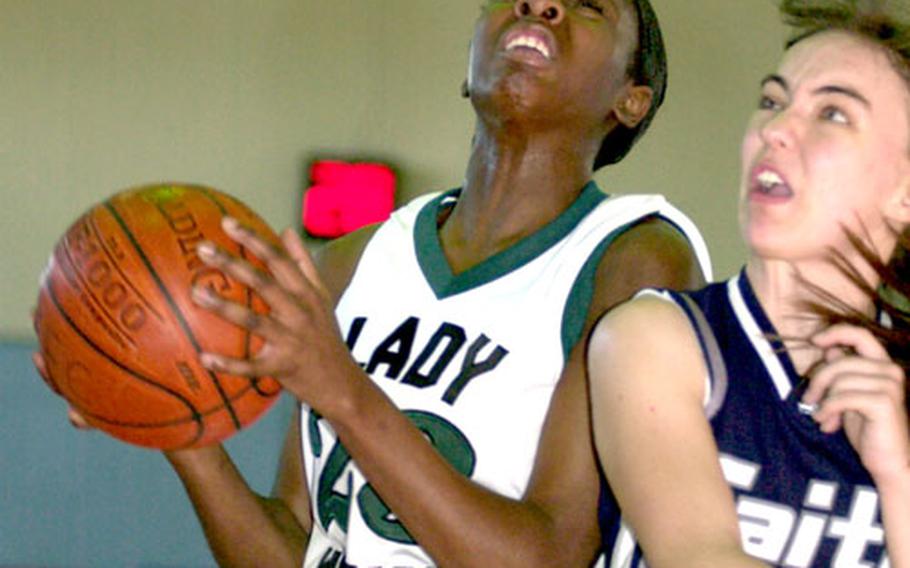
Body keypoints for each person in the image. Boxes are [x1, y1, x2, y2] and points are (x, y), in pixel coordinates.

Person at [36, 0, 710, 565]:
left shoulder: (635, 253)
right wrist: (182, 434)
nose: (540, 3)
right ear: (467, 65)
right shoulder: (353, 262)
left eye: (589, 3)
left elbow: (552, 554)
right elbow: (299, 546)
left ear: (632, 99)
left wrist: (344, 392)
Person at [587, 0, 910, 566]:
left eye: (833, 113)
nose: (777, 129)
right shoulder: (653, 338)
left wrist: (899, 478)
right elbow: (700, 557)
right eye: (771, 101)